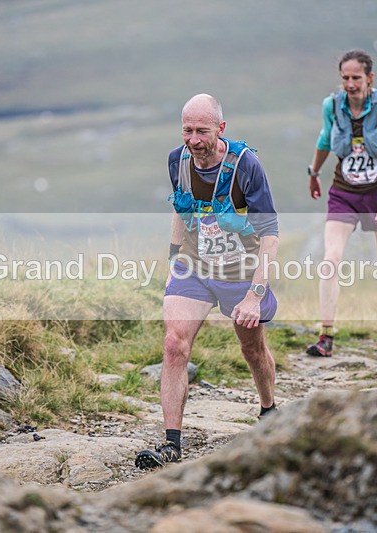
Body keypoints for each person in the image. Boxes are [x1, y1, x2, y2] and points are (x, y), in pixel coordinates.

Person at [135, 94, 280, 470]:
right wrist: (173, 259)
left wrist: (255, 295)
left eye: (202, 131)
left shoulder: (245, 165)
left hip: (241, 270)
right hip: (195, 265)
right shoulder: (177, 160)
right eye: (187, 130)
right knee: (173, 344)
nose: (194, 140)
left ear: (221, 129)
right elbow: (181, 207)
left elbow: (270, 233)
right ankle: (171, 443)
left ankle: (269, 410)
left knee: (252, 349)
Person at [305, 49, 377, 357]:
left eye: (356, 78)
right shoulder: (332, 106)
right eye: (345, 78)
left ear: (370, 78)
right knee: (331, 259)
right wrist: (314, 173)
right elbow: (325, 140)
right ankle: (326, 335)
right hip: (344, 193)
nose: (350, 84)